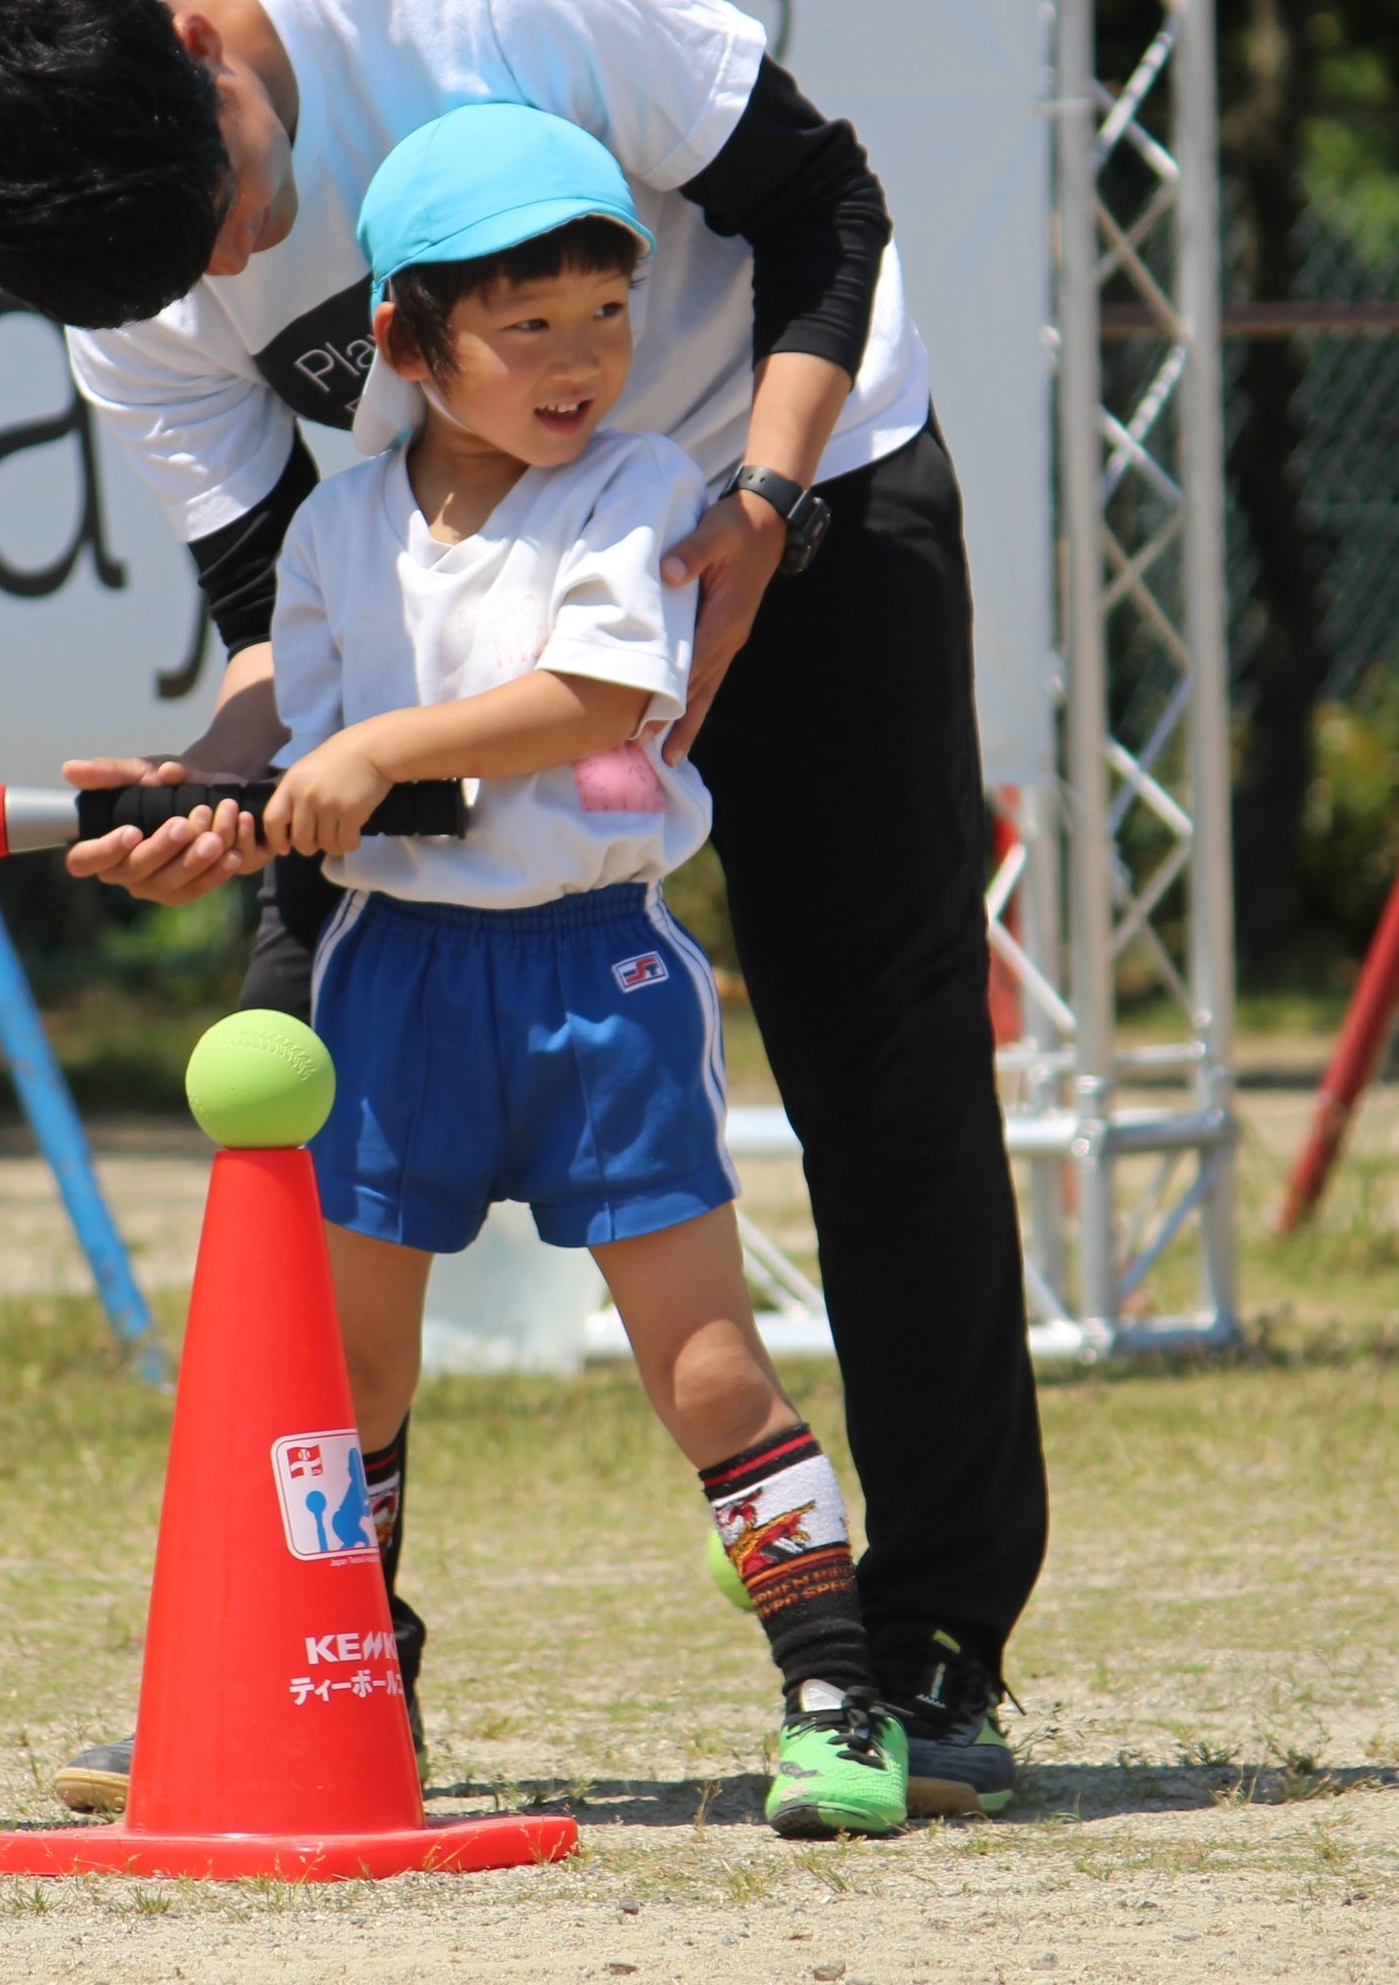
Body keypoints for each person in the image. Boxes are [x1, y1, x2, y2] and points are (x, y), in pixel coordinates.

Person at [0, 0, 1040, 1819]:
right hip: (461, 588)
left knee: (882, 1050)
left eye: (233, 204)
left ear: (198, 48)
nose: (227, 257)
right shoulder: (136, 288)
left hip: (790, 487)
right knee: (292, 1085)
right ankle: (320, 1659)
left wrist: (755, 505)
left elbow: (823, 204)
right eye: (176, 271)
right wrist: (209, 794)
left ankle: (920, 1641)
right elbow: (273, 648)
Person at [246, 102, 907, 1834]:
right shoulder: (330, 537)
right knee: (348, 1378)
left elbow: (603, 708)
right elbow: (317, 774)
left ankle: (837, 1685)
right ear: (405, 343)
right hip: (393, 981)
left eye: (603, 314)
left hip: (595, 976)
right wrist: (204, 809)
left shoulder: (637, 485)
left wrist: (376, 753)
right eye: (523, 326)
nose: (578, 359)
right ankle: (347, 1676)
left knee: (703, 1367)